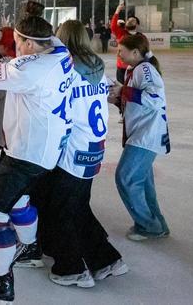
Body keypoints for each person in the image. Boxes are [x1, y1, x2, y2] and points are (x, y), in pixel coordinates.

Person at [0, 12, 76, 304]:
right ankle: (29, 246)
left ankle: (1, 286)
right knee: (18, 200)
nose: (14, 47)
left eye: (17, 42)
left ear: (27, 44)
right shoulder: (60, 53)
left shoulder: (27, 69)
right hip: (46, 151)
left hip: (27, 153)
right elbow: (40, 41)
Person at [32, 20, 127, 289]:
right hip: (93, 147)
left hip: (72, 150)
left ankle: (71, 268)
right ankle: (106, 259)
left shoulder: (68, 71)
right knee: (77, 206)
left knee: (61, 210)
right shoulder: (96, 67)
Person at [109, 34, 171, 241]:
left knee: (126, 177)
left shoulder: (144, 69)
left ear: (135, 52)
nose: (118, 53)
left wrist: (124, 91)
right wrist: (118, 99)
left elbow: (154, 98)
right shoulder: (134, 69)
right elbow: (137, 103)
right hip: (143, 132)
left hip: (147, 134)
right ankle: (156, 223)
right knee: (142, 181)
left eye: (121, 50)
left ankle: (149, 225)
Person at [111, 2, 145, 84]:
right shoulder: (141, 37)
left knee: (121, 88)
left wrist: (118, 10)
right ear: (136, 25)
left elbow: (113, 26)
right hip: (135, 66)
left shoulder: (121, 34)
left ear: (126, 25)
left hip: (122, 66)